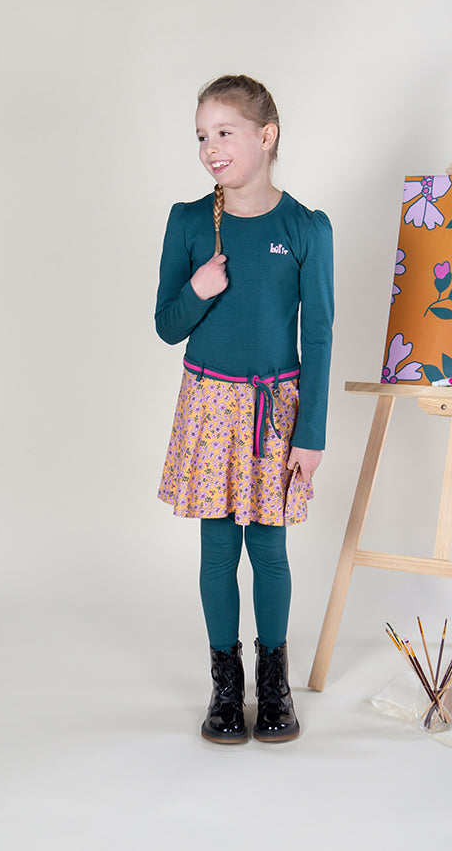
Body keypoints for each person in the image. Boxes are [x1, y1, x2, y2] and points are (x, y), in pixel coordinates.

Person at [155, 75, 333, 744]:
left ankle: (274, 681)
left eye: (224, 132)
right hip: (208, 404)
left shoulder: (305, 227)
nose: (210, 147)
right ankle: (226, 686)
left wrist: (310, 434)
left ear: (267, 135)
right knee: (217, 547)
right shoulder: (188, 220)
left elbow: (318, 336)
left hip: (274, 409)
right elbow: (168, 325)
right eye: (202, 135)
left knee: (269, 547)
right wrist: (199, 290)